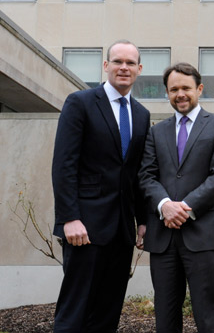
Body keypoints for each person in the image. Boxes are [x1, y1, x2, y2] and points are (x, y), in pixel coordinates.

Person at [51, 40, 150, 332]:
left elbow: (137, 174)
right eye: (117, 61)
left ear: (139, 69)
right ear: (105, 66)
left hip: (122, 231)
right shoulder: (80, 102)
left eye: (130, 63)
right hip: (84, 228)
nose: (124, 67)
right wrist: (69, 218)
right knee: (75, 310)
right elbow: (64, 164)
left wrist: (142, 221)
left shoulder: (142, 115)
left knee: (108, 312)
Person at [138, 62, 214, 333]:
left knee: (208, 315)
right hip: (163, 238)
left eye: (186, 88)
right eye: (173, 89)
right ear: (167, 93)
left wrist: (183, 207)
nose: (180, 94)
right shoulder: (156, 131)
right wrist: (164, 205)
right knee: (165, 316)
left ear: (199, 89)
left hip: (203, 234)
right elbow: (146, 176)